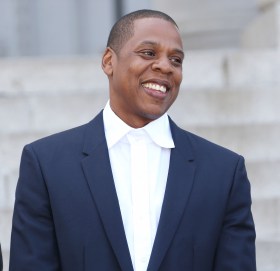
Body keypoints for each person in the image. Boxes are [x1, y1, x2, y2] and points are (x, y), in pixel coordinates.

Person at [9, 9, 256, 271]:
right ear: (108, 61)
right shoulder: (46, 164)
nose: (165, 66)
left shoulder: (224, 172)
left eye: (176, 59)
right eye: (149, 53)